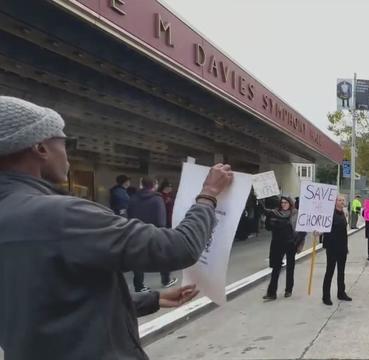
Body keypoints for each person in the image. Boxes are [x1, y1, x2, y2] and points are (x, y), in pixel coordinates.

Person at [0, 96, 233, 360]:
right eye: (65, 142)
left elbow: (45, 304)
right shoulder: (61, 215)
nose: (67, 154)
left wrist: (151, 300)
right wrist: (209, 194)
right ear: (40, 147)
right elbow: (179, 248)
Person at [128, 177, 177, 291]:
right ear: (154, 185)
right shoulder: (157, 199)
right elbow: (161, 221)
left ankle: (139, 286)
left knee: (138, 259)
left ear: (141, 185)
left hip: (136, 232)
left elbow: (129, 216)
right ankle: (166, 280)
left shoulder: (133, 198)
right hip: (153, 233)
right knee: (163, 256)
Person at [263, 197, 305, 300]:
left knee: (290, 267)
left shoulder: (295, 214)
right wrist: (268, 218)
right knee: (276, 268)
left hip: (291, 244)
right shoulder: (275, 213)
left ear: (290, 203)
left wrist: (296, 242)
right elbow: (268, 228)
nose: (283, 204)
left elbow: (302, 230)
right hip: (278, 244)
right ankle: (271, 293)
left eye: (286, 202)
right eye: (282, 203)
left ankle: (288, 290)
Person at [322, 194, 352, 305]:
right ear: (335, 202)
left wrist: (346, 247)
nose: (341, 202)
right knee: (329, 271)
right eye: (339, 200)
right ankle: (326, 296)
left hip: (342, 247)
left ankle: (341, 293)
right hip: (331, 247)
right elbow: (323, 227)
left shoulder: (344, 213)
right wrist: (318, 232)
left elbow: (344, 231)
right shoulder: (329, 214)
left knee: (341, 271)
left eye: (343, 200)